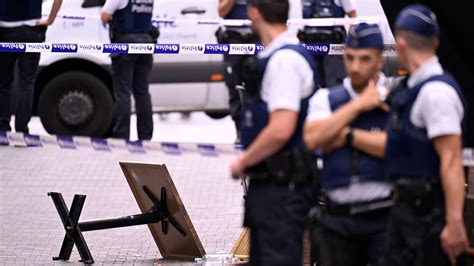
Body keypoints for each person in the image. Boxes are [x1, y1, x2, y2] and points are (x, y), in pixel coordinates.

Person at [229, 0, 319, 264]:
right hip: (273, 183)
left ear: (254, 12)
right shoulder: (277, 56)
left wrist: (243, 161)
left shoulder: (283, 62)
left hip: (282, 187)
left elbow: (281, 128)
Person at [384, 4, 469, 265]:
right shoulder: (413, 89)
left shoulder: (436, 93)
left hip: (426, 216)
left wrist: (454, 223)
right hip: (408, 211)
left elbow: (452, 161)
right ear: (435, 41)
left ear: (400, 43)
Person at [304, 23, 392, 266]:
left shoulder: (397, 96)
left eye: (365, 59)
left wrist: (344, 136)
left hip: (383, 218)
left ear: (380, 60)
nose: (355, 67)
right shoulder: (326, 98)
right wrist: (358, 106)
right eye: (349, 58)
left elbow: (395, 148)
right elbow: (312, 138)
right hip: (337, 220)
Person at [0, 0, 63, 133]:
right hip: (31, 31)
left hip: (4, 31)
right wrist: (51, 19)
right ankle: (22, 130)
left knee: (3, 83)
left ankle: (2, 128)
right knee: (26, 83)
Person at [101, 0, 155, 140]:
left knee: (123, 93)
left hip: (124, 43)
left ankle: (121, 136)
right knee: (142, 92)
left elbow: (105, 15)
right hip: (146, 42)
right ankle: (145, 136)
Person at [217, 0, 258, 143]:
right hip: (234, 39)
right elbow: (221, 11)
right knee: (234, 87)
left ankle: (256, 129)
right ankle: (240, 131)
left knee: (257, 86)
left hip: (255, 39)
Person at [299, 0, 356, 88]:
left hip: (334, 50)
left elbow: (353, 17)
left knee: (334, 88)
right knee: (311, 87)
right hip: (311, 48)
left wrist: (350, 44)